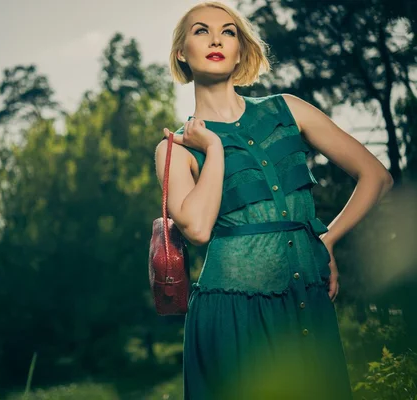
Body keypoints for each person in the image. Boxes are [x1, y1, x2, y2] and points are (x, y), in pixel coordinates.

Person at [154, 2, 395, 399]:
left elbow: (377, 176)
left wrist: (327, 240)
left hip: (309, 301)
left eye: (228, 31)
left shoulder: (289, 109)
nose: (216, 38)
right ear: (182, 52)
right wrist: (213, 148)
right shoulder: (175, 149)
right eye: (201, 31)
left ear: (241, 49)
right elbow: (196, 229)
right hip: (232, 317)